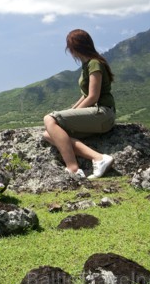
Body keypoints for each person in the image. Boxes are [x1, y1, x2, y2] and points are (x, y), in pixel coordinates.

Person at [43, 29, 115, 179]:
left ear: (75, 47)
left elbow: (93, 97)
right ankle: (99, 158)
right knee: (49, 134)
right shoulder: (87, 65)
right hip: (95, 115)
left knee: (49, 119)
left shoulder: (95, 63)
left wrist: (63, 118)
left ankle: (73, 169)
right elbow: (85, 95)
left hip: (102, 113)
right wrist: (71, 112)